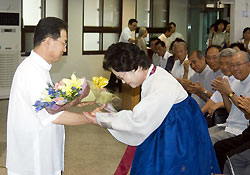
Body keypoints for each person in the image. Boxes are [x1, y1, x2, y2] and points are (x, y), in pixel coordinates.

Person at [84, 42, 220, 174]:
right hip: (169, 127)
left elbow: (138, 121)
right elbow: (144, 113)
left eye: (122, 77)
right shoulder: (154, 74)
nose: (123, 81)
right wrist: (107, 107)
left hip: (175, 135)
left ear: (136, 67)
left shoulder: (161, 83)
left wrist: (101, 119)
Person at [6, 17, 91, 175]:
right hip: (33, 159)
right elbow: (52, 116)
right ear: (47, 41)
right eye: (63, 42)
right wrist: (92, 118)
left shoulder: (39, 69)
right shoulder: (31, 72)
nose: (64, 49)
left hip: (41, 154)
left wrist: (72, 102)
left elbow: (50, 104)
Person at [209, 51, 250, 145]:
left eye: (238, 64)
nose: (235, 69)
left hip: (241, 130)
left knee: (207, 141)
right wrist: (224, 94)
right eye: (232, 65)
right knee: (200, 134)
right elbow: (230, 110)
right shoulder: (236, 82)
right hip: (228, 126)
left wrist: (230, 93)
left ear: (248, 65)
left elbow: (245, 109)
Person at [214, 96, 250, 174]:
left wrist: (230, 94)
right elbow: (247, 116)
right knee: (219, 146)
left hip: (240, 131)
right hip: (247, 133)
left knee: (231, 157)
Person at [202, 48, 237, 116]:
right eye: (221, 63)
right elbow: (214, 99)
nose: (224, 67)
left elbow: (241, 106)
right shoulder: (224, 78)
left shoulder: (241, 79)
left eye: (228, 63)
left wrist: (221, 104)